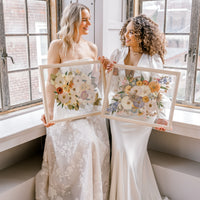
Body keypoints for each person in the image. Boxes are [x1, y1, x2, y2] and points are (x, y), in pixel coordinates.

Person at [35, 3, 110, 200]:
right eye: (84, 19)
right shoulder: (57, 46)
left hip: (90, 110)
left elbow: (95, 84)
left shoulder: (92, 47)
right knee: (87, 143)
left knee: (99, 145)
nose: (89, 23)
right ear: (73, 21)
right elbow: (50, 82)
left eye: (89, 19)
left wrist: (103, 69)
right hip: (67, 111)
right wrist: (48, 112)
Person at [99, 14, 169, 200]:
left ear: (143, 35)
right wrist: (110, 71)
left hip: (141, 118)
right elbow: (112, 89)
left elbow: (160, 90)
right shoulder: (118, 54)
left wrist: (162, 115)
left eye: (132, 32)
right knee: (122, 155)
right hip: (120, 115)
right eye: (126, 31)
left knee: (133, 159)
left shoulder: (153, 59)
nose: (126, 36)